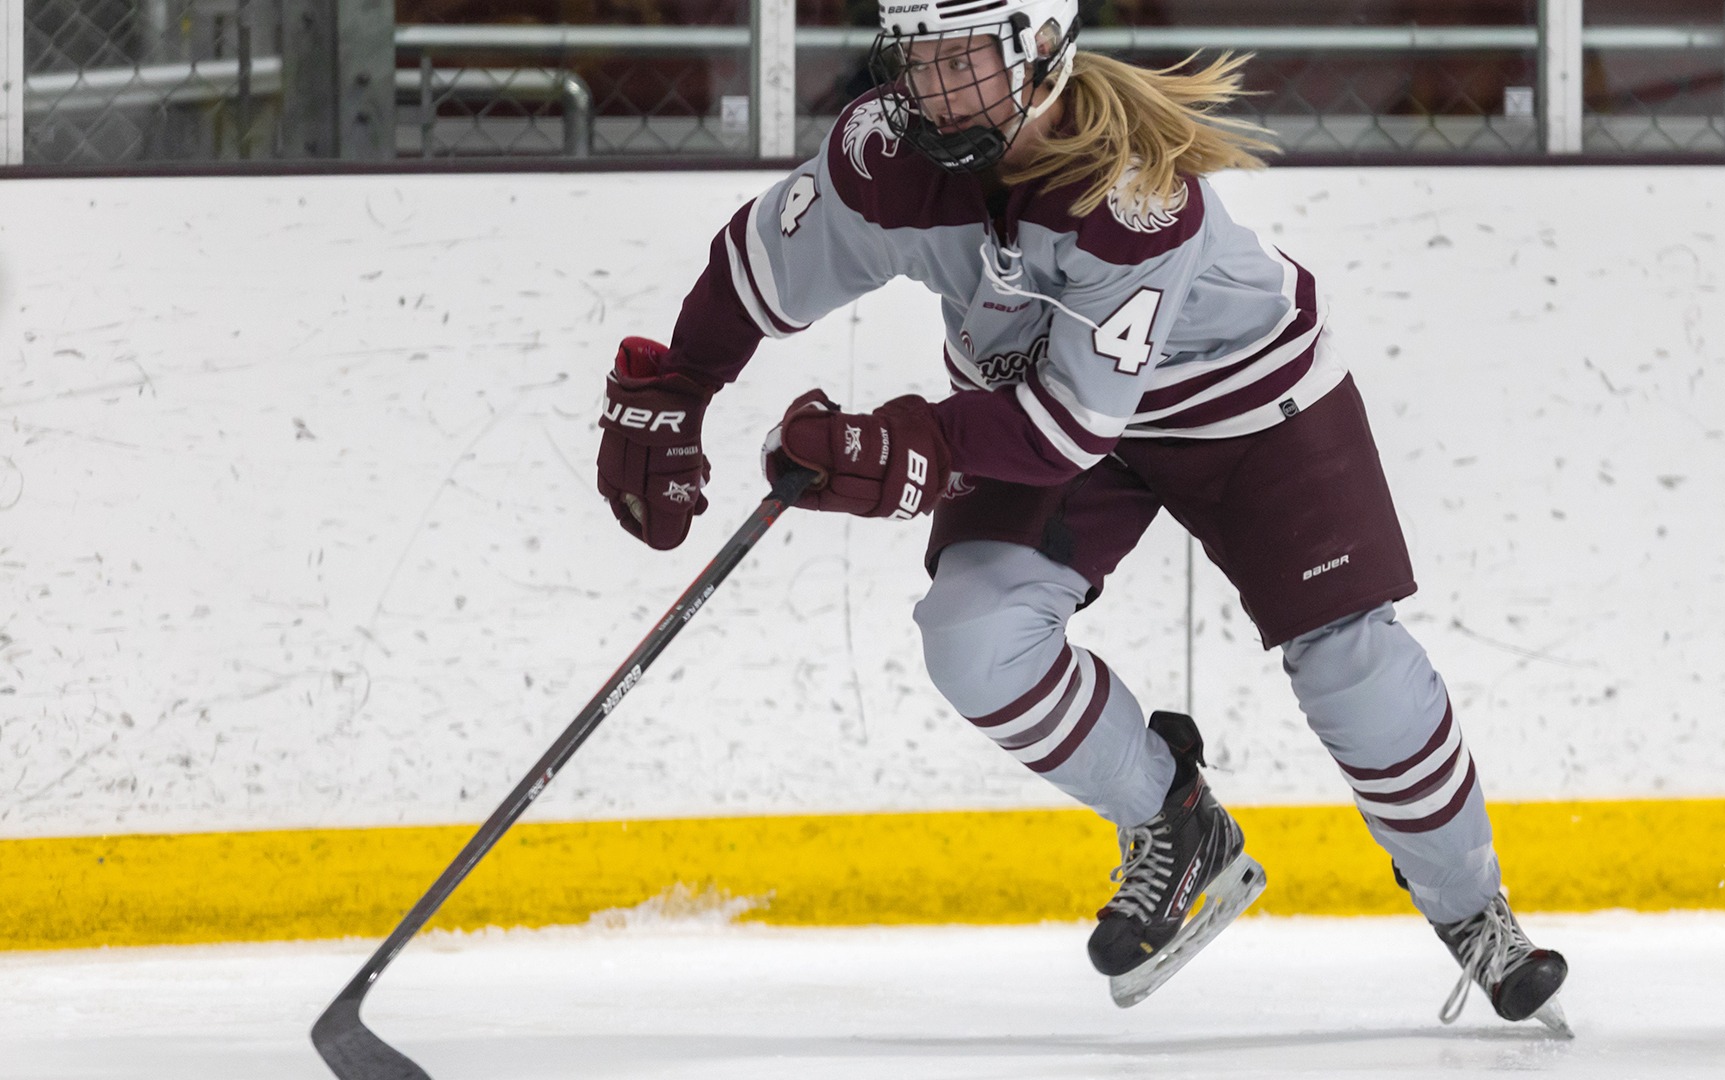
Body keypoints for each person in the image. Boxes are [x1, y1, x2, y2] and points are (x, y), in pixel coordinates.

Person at [595, 0, 1569, 1025]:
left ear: (1043, 49)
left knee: (1348, 659)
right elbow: (758, 263)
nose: (930, 85)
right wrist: (680, 385)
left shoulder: (1134, 197)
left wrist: (906, 445)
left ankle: (1474, 916)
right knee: (971, 638)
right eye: (915, 56)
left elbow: (1067, 431)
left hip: (1245, 406)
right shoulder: (885, 155)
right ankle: (1173, 820)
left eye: (959, 58)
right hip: (1033, 405)